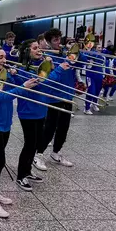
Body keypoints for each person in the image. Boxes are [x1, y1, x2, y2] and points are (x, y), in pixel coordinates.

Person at [0, 46, 38, 218]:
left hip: (5, 121)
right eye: (0, 57)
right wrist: (22, 87)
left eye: (4, 56)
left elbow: (15, 90)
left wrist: (15, 77)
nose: (4, 60)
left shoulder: (5, 72)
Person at [15, 39, 69, 191]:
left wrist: (51, 68)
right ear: (27, 51)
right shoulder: (23, 69)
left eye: (39, 47)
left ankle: (27, 171)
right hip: (28, 112)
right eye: (34, 48)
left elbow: (49, 84)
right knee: (29, 144)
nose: (39, 50)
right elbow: (42, 83)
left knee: (36, 143)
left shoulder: (40, 65)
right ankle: (21, 175)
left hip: (40, 110)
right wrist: (57, 70)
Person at [33, 28, 84, 171]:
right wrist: (60, 67)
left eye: (59, 39)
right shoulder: (45, 57)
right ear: (48, 42)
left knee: (64, 127)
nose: (58, 42)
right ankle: (39, 154)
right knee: (49, 128)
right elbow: (46, 80)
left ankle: (56, 152)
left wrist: (77, 51)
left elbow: (81, 64)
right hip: (53, 97)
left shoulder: (65, 53)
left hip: (67, 95)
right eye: (55, 39)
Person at [84, 44, 105, 115]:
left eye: (101, 47)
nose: (100, 49)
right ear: (95, 48)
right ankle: (86, 108)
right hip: (90, 76)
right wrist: (90, 62)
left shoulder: (102, 57)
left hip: (99, 76)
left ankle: (94, 104)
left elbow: (103, 67)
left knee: (97, 92)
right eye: (98, 47)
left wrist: (104, 76)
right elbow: (87, 65)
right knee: (91, 91)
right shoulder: (91, 55)